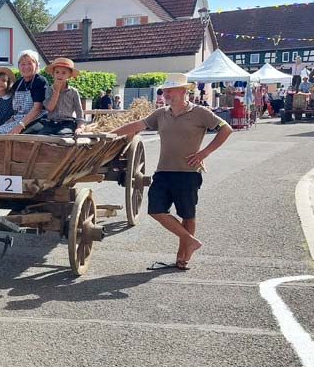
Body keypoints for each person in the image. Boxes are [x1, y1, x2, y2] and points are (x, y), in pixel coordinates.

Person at [112, 73, 233, 269]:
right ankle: (190, 241)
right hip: (163, 171)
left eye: (170, 90)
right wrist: (109, 134)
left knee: (188, 215)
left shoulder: (200, 112)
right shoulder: (161, 113)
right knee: (155, 210)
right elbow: (138, 125)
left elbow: (226, 129)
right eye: (165, 91)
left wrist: (205, 152)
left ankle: (182, 257)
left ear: (183, 91)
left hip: (188, 172)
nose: (166, 94)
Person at [24, 57, 85, 135]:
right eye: (57, 72)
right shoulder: (49, 89)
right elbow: (49, 108)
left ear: (69, 75)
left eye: (64, 73)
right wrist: (56, 91)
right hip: (51, 123)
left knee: (62, 134)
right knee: (41, 135)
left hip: (67, 122)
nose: (60, 75)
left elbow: (79, 111)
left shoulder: (73, 92)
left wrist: (79, 127)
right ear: (53, 74)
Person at [0, 50, 48, 134]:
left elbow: (37, 108)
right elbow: (7, 103)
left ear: (36, 65)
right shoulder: (18, 84)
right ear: (18, 67)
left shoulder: (39, 81)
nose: (26, 67)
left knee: (19, 135)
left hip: (37, 119)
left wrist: (20, 126)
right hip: (19, 118)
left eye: (29, 63)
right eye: (23, 64)